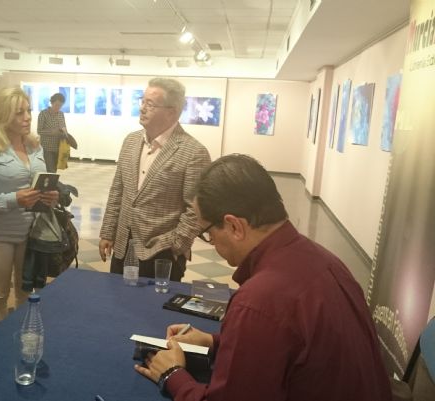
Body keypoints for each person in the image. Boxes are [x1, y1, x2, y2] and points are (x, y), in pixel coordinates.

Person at [135, 154, 392, 401]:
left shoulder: (258, 301)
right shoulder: (327, 261)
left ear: (235, 226)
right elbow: (295, 346)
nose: (211, 242)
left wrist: (173, 375)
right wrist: (216, 342)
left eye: (208, 233)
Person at [99, 77, 211, 281]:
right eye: (142, 101)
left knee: (156, 302)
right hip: (123, 248)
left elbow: (195, 209)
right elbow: (118, 190)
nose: (142, 108)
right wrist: (108, 232)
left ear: (171, 112)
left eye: (150, 104)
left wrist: (177, 245)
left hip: (162, 253)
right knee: (115, 299)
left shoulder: (194, 152)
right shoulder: (131, 141)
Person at [0, 87, 58, 325]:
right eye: (20, 113)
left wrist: (51, 197)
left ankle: (24, 338)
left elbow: (41, 183)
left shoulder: (34, 145)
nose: (28, 117)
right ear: (2, 116)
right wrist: (14, 199)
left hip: (31, 233)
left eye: (28, 110)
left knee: (25, 293)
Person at [37, 92, 68, 172]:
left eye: (60, 105)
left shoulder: (61, 114)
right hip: (47, 148)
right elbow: (39, 130)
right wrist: (52, 132)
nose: (58, 107)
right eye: (56, 105)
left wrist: (64, 131)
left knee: (54, 170)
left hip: (58, 147)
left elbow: (63, 126)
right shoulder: (43, 114)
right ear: (52, 103)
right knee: (50, 171)